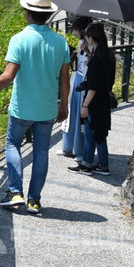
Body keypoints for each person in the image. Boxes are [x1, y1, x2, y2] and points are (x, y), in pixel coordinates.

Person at [0, 0, 70, 214]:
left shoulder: (19, 39)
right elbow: (65, 78)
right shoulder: (60, 42)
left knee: (12, 144)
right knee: (41, 153)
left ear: (27, 12)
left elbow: (8, 76)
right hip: (47, 108)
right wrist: (64, 104)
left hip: (23, 107)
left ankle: (15, 191)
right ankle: (34, 200)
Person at [68, 23, 115, 176]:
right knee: (100, 134)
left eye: (87, 37)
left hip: (95, 102)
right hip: (104, 100)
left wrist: (85, 105)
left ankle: (86, 165)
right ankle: (103, 165)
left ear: (91, 38)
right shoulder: (107, 54)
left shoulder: (97, 59)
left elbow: (94, 87)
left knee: (90, 133)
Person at [57, 17, 92, 161]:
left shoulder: (90, 45)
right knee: (72, 114)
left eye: (76, 30)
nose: (75, 33)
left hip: (84, 81)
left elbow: (92, 63)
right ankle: (69, 147)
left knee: (79, 117)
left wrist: (87, 51)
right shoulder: (81, 43)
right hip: (77, 77)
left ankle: (80, 150)